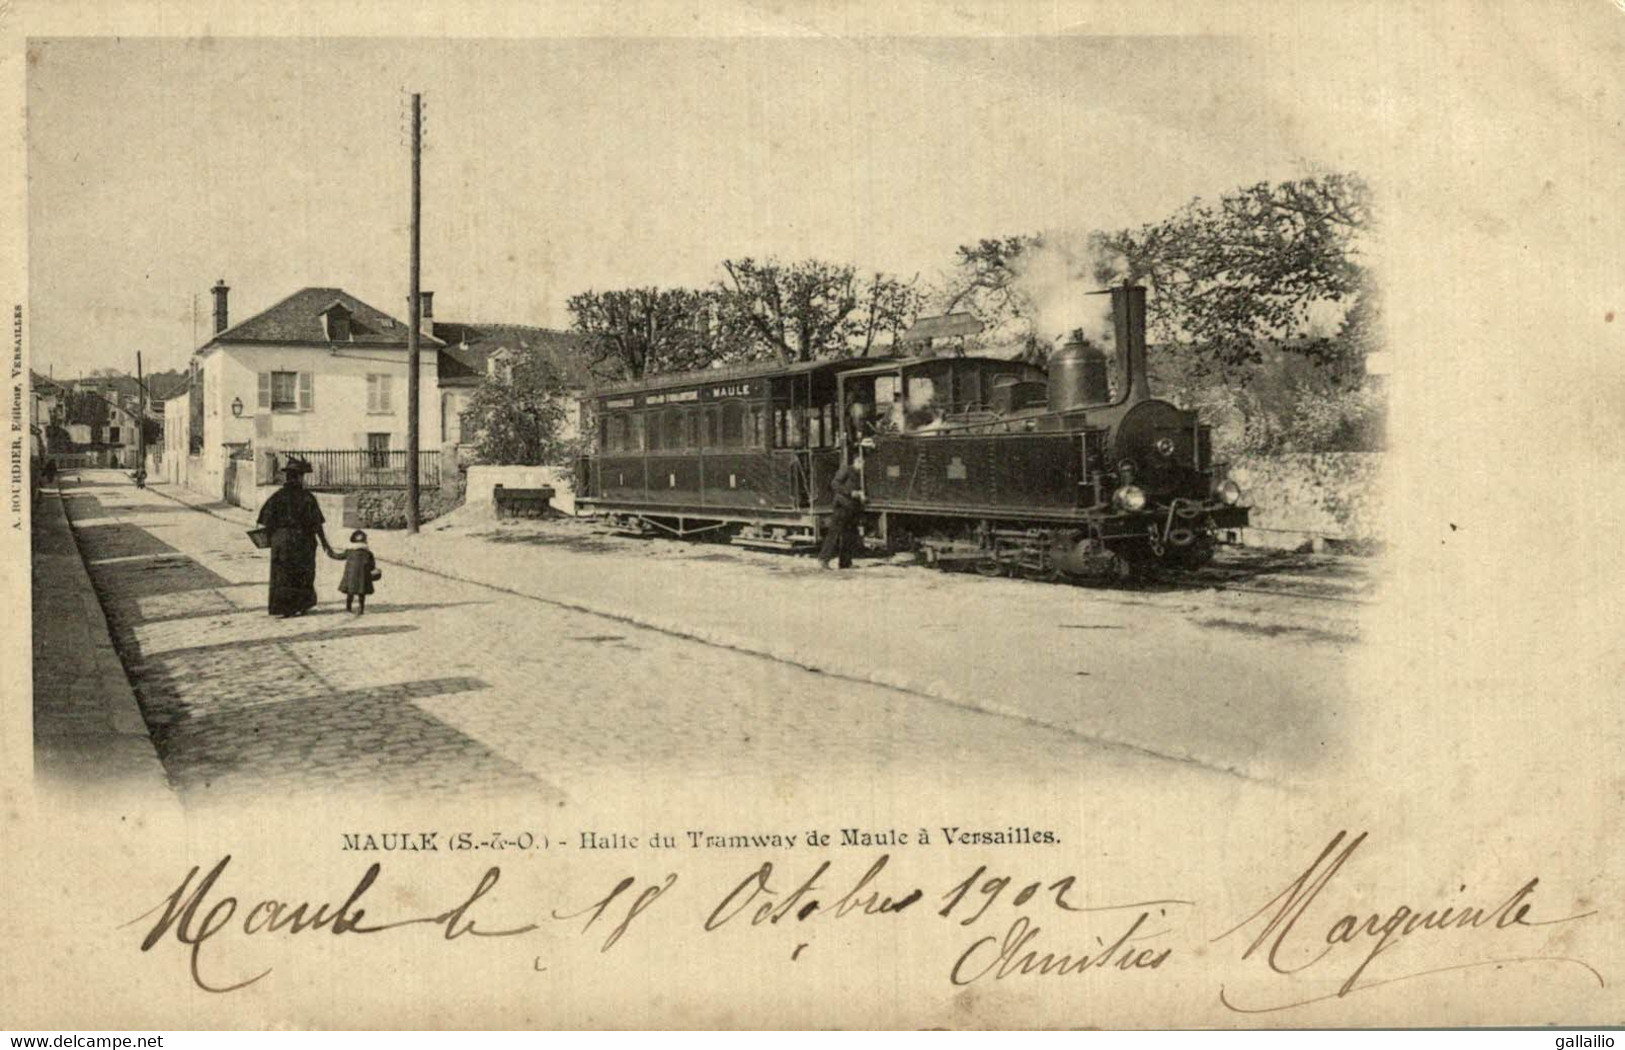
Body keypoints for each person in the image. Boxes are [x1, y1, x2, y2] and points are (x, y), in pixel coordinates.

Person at [256, 457, 333, 617]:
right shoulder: (307, 497)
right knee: (303, 572)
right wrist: (325, 543)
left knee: (282, 573)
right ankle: (302, 605)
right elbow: (317, 523)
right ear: (299, 477)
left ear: (287, 477)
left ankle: (283, 608)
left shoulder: (277, 497)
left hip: (281, 541)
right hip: (303, 540)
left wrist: (272, 537)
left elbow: (265, 521)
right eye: (302, 476)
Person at [817, 462, 864, 570]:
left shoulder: (860, 474)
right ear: (857, 460)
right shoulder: (846, 470)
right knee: (834, 533)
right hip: (841, 506)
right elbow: (835, 484)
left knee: (849, 535)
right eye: (862, 461)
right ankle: (823, 559)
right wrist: (850, 492)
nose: (863, 464)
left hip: (852, 508)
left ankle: (845, 562)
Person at [331, 529, 382, 615]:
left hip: (351, 577)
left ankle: (348, 608)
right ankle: (361, 609)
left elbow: (338, 556)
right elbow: (372, 566)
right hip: (363, 577)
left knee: (350, 593)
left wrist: (329, 552)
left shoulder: (349, 551)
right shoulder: (368, 553)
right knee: (361, 594)